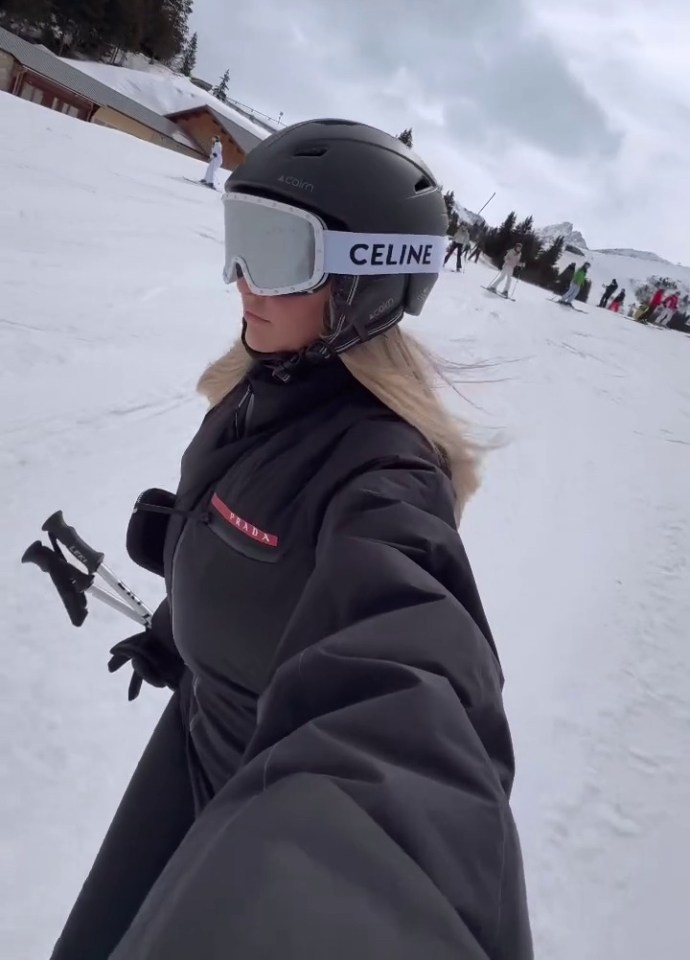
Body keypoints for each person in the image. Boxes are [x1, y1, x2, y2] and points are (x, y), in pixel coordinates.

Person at [50, 119, 532, 960]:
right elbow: (274, 557)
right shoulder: (262, 386)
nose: (241, 280)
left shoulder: (386, 477)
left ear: (365, 279)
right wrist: (182, 600)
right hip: (188, 752)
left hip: (268, 810)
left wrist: (354, 873)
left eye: (276, 249)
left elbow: (412, 688)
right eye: (239, 238)